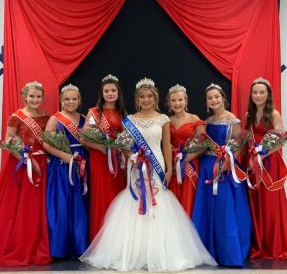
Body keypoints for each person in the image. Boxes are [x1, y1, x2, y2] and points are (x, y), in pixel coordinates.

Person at [79, 78, 216, 271]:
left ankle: (159, 252)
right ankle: (134, 252)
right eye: (142, 96)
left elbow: (165, 147)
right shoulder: (130, 120)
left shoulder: (163, 119)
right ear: (137, 99)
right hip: (136, 165)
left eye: (149, 96)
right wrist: (132, 156)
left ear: (155, 98)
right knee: (136, 200)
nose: (146, 99)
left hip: (157, 163)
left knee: (158, 202)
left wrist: (168, 169)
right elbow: (124, 145)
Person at [192, 83, 252, 267]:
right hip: (207, 167)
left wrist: (226, 162)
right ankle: (208, 251)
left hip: (225, 167)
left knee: (224, 209)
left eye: (216, 96)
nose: (214, 100)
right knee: (207, 208)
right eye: (210, 98)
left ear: (223, 98)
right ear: (206, 102)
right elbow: (202, 145)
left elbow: (237, 145)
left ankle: (229, 253)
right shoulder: (206, 122)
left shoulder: (233, 120)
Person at [0, 81, 51, 266]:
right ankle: (21, 245)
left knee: (39, 207)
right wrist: (26, 159)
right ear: (24, 97)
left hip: (43, 165)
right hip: (24, 167)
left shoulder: (46, 117)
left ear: (42, 97)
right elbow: (9, 142)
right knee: (23, 207)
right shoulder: (16, 117)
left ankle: (37, 244)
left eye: (38, 96)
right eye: (31, 96)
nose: (35, 99)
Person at [43, 84, 89, 257]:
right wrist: (64, 155)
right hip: (62, 165)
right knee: (61, 204)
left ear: (79, 100)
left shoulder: (84, 118)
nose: (71, 102)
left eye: (74, 99)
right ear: (61, 100)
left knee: (80, 204)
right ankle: (59, 248)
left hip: (82, 164)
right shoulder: (55, 119)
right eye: (67, 99)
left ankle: (79, 246)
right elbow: (46, 143)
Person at [244, 77, 287, 259]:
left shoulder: (274, 114)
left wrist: (263, 155)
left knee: (270, 202)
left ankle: (274, 244)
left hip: (269, 163)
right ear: (251, 95)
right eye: (255, 92)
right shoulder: (248, 115)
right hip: (253, 161)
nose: (258, 95)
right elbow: (247, 138)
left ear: (268, 94)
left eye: (262, 92)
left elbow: (281, 140)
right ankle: (259, 243)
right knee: (256, 200)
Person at [80, 74, 127, 240]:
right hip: (100, 159)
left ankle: (116, 239)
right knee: (101, 195)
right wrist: (101, 147)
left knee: (117, 196)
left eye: (113, 90)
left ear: (118, 93)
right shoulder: (94, 112)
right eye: (107, 91)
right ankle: (99, 238)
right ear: (102, 93)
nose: (110, 93)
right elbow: (83, 137)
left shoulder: (122, 113)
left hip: (118, 161)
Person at [166, 84, 205, 216]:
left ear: (186, 101)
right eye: (173, 100)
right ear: (169, 103)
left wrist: (187, 157)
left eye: (180, 100)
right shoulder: (166, 121)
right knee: (173, 198)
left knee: (189, 198)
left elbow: (204, 142)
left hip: (190, 164)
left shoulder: (194, 119)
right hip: (172, 164)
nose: (177, 103)